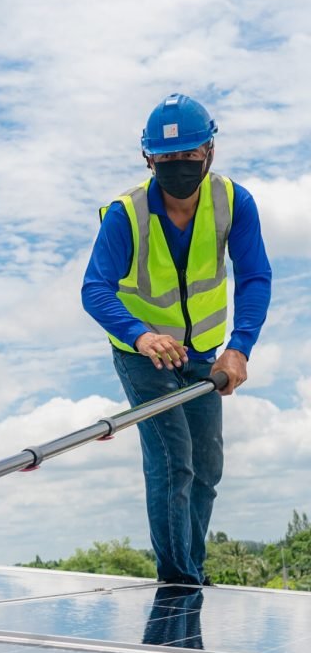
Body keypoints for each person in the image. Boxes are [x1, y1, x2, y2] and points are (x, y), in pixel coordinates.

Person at [81, 93, 272, 586]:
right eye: (167, 157)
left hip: (204, 353)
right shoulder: (126, 214)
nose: (179, 166)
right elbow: (94, 289)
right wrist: (140, 335)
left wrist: (239, 347)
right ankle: (178, 581)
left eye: (189, 154)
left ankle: (193, 571)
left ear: (210, 151)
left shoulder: (233, 202)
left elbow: (255, 277)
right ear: (148, 159)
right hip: (144, 356)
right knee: (173, 460)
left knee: (206, 466)